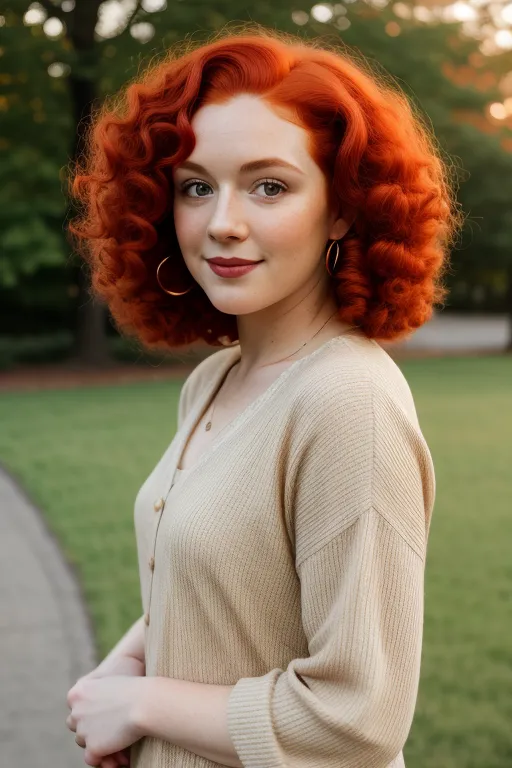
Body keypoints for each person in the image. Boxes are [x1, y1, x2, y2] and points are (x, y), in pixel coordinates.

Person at [65, 25, 462, 768]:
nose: (223, 223)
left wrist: (145, 704)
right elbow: (213, 578)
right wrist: (128, 660)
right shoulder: (214, 379)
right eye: (196, 187)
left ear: (342, 207)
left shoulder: (348, 405)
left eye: (269, 185)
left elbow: (359, 720)